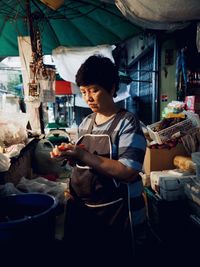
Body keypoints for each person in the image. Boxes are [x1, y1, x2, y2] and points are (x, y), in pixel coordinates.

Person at [52, 55, 147, 266]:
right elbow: (84, 160)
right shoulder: (86, 122)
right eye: (84, 91)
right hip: (87, 211)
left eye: (94, 90)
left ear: (112, 88)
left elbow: (128, 171)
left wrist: (83, 155)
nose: (88, 98)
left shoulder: (127, 122)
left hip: (119, 213)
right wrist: (68, 155)